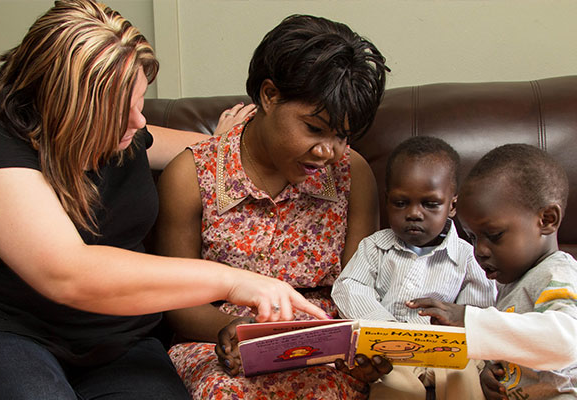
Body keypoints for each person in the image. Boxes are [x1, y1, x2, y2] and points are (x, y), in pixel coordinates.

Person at [0, 1, 329, 399]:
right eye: (117, 110)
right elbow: (67, 272)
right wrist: (234, 282)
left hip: (120, 341)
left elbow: (200, 150)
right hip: (10, 333)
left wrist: (229, 145)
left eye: (139, 100)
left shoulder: (124, 131)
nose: (138, 121)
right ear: (62, 107)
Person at [153, 14, 391, 400]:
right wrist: (240, 333)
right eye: (315, 129)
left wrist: (362, 346)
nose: (328, 151)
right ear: (269, 96)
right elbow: (179, 303)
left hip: (325, 351)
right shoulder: (192, 174)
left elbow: (357, 289)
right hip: (219, 343)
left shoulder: (352, 174)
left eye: (342, 135)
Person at [332, 136, 497, 400]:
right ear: (387, 201)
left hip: (446, 351)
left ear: (452, 205)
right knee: (393, 384)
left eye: (430, 204)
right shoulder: (374, 247)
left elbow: (479, 310)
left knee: (463, 373)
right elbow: (349, 287)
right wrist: (385, 328)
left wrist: (458, 324)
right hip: (392, 351)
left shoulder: (468, 256)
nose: (414, 214)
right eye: (401, 203)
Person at [409, 143, 577, 400]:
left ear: (547, 220)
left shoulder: (557, 274)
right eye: (474, 238)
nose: (481, 251)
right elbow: (517, 342)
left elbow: (565, 343)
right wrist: (490, 370)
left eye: (494, 235)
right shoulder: (514, 283)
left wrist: (468, 318)